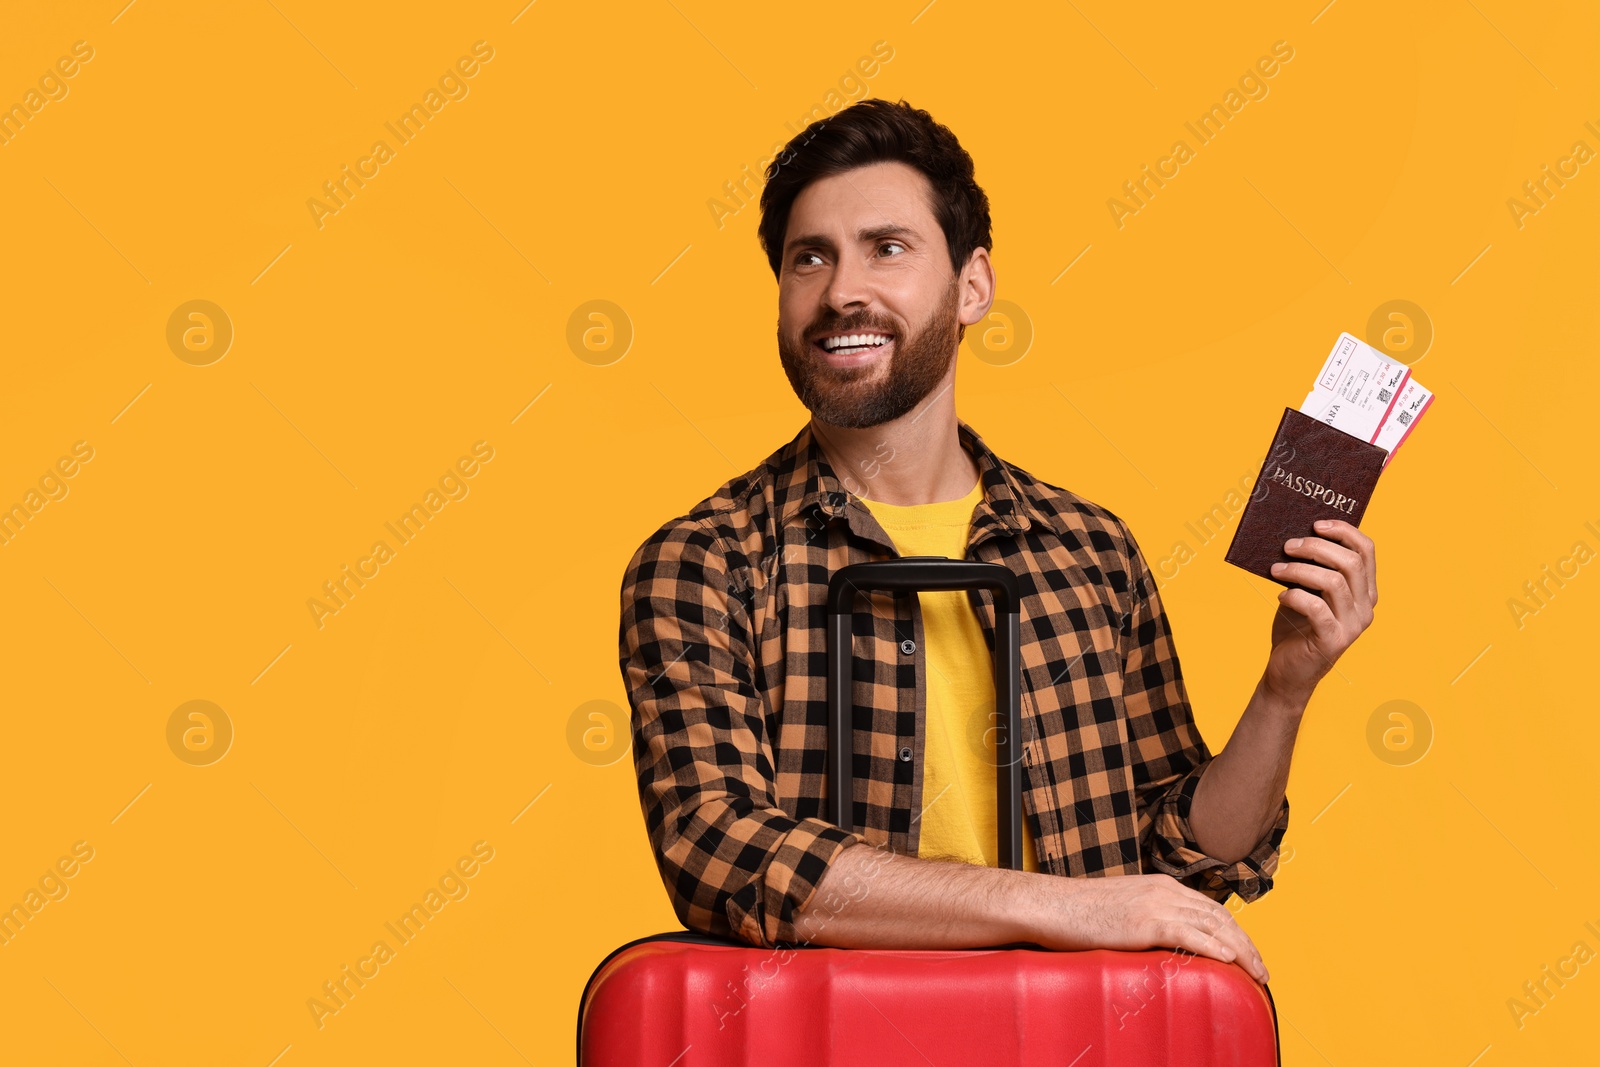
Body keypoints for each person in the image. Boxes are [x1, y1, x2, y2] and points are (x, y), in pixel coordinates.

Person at [616, 99, 1378, 987]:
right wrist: (1060, 905)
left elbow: (1187, 864)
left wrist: (1287, 686)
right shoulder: (706, 562)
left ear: (973, 284)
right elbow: (721, 851)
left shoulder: (1088, 551)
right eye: (808, 258)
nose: (840, 291)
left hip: (1079, 1042)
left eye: (886, 248)